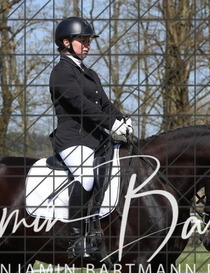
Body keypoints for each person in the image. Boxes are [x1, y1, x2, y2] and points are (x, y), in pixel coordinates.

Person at [49, 16, 133, 258]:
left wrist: (122, 120)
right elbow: (80, 105)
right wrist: (111, 124)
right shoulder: (61, 73)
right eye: (82, 41)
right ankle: (76, 239)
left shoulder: (90, 74)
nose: (87, 45)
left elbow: (105, 105)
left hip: (97, 140)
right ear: (66, 42)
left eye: (88, 41)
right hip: (73, 140)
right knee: (86, 177)